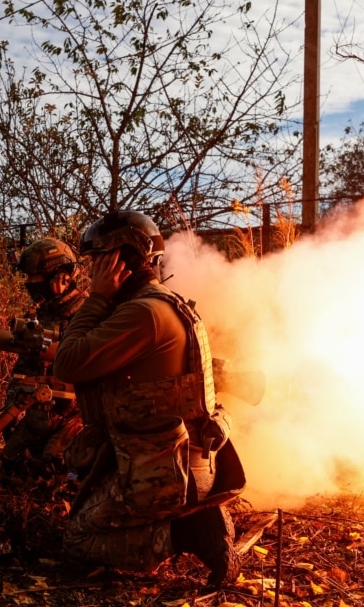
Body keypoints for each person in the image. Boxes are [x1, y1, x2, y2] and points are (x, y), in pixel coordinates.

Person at [51, 210, 246, 589]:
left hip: (165, 474)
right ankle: (190, 517)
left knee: (78, 539)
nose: (91, 272)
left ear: (118, 261)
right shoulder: (162, 303)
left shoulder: (143, 313)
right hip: (181, 463)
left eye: (96, 262)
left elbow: (68, 363)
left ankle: (189, 532)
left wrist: (97, 298)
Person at [0, 237, 89, 463]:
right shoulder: (42, 314)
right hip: (40, 417)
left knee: (54, 463)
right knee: (7, 459)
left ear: (60, 278)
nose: (29, 283)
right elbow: (24, 368)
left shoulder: (87, 315)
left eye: (33, 276)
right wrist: (10, 407)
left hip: (76, 419)